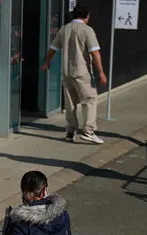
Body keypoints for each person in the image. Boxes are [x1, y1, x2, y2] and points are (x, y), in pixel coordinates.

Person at [41, 4, 107, 144]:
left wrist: (47, 62)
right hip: (82, 71)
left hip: (66, 72)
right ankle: (88, 131)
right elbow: (94, 52)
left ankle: (70, 131)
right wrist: (101, 72)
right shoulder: (87, 30)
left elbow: (53, 48)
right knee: (89, 100)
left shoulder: (64, 29)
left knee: (70, 103)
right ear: (86, 16)